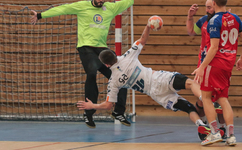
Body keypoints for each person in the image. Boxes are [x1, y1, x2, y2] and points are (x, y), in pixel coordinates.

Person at [30, 0, 134, 128]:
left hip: (102, 48)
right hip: (85, 47)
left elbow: (129, 1)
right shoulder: (82, 6)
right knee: (92, 72)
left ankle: (118, 111)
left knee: (122, 75)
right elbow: (63, 9)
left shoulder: (110, 8)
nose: (101, 0)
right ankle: (88, 113)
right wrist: (40, 15)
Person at [77, 21, 210, 138]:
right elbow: (142, 40)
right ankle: (208, 102)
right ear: (114, 55)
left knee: (189, 108)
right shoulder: (128, 56)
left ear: (106, 65)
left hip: (156, 94)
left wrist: (92, 105)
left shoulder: (113, 81)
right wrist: (147, 26)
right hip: (159, 79)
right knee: (191, 83)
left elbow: (108, 105)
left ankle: (200, 124)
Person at [192, 0, 242, 146]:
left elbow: (214, 47)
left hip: (215, 64)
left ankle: (215, 133)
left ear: (215, 3)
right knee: (223, 99)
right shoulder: (235, 18)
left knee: (205, 98)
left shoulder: (214, 21)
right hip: (228, 65)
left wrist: (201, 67)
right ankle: (231, 136)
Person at [187, 0, 227, 140]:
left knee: (219, 99)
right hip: (203, 62)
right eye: (206, 7)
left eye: (210, 7)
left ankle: (222, 129)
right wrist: (190, 16)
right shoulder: (204, 20)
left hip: (218, 63)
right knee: (203, 99)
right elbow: (191, 32)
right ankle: (205, 126)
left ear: (216, 5)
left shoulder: (224, 20)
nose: (207, 10)